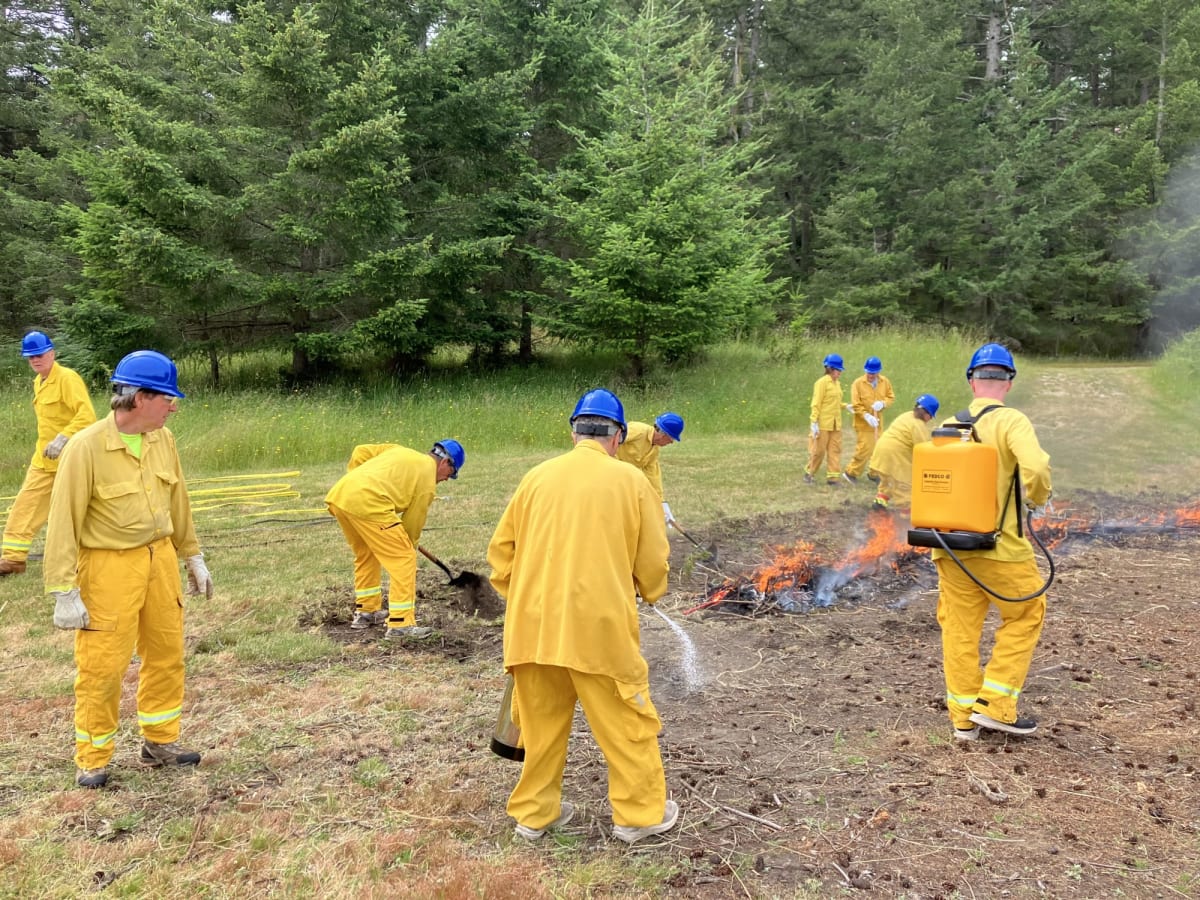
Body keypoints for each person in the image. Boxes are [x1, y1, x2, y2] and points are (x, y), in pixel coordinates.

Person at [487, 388, 678, 845]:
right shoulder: (632, 482)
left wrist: (530, 599)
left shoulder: (535, 477)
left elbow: (501, 556)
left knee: (540, 726)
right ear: (617, 437)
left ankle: (534, 814)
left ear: (574, 431)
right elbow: (652, 564)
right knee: (627, 723)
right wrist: (648, 591)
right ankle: (638, 815)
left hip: (532, 631)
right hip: (598, 632)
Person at [44, 350, 214, 789]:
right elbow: (63, 521)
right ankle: (93, 757)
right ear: (138, 398)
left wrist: (191, 554)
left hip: (159, 561)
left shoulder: (164, 440)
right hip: (107, 567)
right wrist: (64, 589)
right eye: (167, 399)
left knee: (166, 653)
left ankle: (159, 742)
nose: (173, 406)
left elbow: (179, 500)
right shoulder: (85, 449)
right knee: (103, 665)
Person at [933, 343, 1052, 742]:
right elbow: (1035, 467)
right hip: (1000, 549)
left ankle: (963, 718)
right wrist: (1036, 498)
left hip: (950, 547)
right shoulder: (1011, 421)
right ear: (1009, 381)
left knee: (960, 628)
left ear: (971, 380)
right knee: (1025, 613)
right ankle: (996, 706)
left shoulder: (948, 424)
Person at [325, 439, 464, 640]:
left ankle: (367, 611)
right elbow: (412, 526)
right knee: (403, 558)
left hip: (341, 496)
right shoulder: (427, 482)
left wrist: (356, 481)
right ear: (445, 463)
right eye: (451, 474)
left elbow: (360, 451)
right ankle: (401, 624)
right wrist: (409, 548)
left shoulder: (399, 451)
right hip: (369, 503)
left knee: (367, 553)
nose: (446, 480)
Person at [1, 331, 97, 577]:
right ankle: (13, 559)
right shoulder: (38, 382)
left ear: (52, 353)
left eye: (40, 355)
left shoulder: (67, 378)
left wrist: (64, 437)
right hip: (43, 461)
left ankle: (84, 558)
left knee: (73, 514)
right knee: (24, 507)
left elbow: (87, 416)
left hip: (70, 460)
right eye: (30, 357)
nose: (35, 360)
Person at [868, 394, 939, 511]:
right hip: (895, 457)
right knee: (904, 488)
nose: (930, 419)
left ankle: (880, 504)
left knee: (887, 482)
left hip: (881, 452)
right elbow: (923, 450)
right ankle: (906, 518)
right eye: (931, 416)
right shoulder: (919, 426)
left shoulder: (906, 415)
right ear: (926, 414)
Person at [616, 412, 685, 528]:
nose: (671, 442)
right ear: (663, 434)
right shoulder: (637, 431)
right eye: (671, 438)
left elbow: (653, 477)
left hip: (623, 479)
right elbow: (610, 440)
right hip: (609, 471)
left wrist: (662, 504)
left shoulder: (653, 451)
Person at [844, 356, 895, 484]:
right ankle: (850, 473)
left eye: (873, 373)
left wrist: (883, 404)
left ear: (878, 372)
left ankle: (874, 473)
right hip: (863, 423)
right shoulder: (857, 384)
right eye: (868, 372)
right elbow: (856, 404)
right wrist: (866, 416)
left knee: (878, 448)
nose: (870, 375)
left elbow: (890, 397)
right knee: (865, 449)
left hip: (878, 422)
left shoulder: (885, 382)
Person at [804, 353, 846, 486]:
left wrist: (846, 406)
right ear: (830, 368)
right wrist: (814, 422)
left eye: (840, 370)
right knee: (818, 451)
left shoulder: (837, 383)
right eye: (838, 370)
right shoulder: (821, 383)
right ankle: (809, 473)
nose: (840, 372)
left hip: (835, 423)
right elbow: (816, 403)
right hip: (823, 423)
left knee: (835, 450)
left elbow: (835, 403)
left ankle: (833, 478)